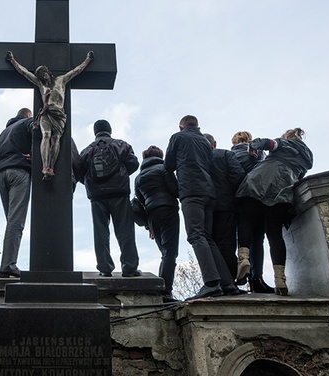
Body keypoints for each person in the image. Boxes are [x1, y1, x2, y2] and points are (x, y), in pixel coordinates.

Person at [165, 115, 243, 300]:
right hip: (210, 193)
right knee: (207, 238)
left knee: (196, 235)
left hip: (191, 191)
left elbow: (168, 164)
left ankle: (211, 283)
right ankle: (226, 283)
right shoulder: (205, 142)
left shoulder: (179, 137)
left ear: (181, 126)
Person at [235, 128, 313, 295]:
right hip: (284, 189)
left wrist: (253, 147)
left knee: (246, 219)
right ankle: (280, 280)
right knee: (274, 234)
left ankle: (243, 259)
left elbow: (266, 143)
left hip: (260, 181)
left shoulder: (285, 143)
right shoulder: (306, 157)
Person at [6, 50, 94, 180]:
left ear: (48, 73)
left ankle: (51, 166)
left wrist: (88, 60)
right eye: (40, 76)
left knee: (56, 138)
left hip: (59, 115)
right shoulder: (41, 85)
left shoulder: (61, 81)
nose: (43, 77)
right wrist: (13, 60)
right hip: (46, 113)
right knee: (46, 135)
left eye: (44, 74)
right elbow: (24, 72)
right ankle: (45, 166)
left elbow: (77, 71)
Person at [78, 119, 141, 277]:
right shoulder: (121, 145)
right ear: (110, 130)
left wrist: (92, 182)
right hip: (119, 193)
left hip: (97, 196)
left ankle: (105, 268)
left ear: (95, 132)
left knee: (100, 232)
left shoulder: (87, 151)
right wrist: (121, 175)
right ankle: (129, 267)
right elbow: (133, 163)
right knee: (125, 230)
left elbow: (78, 172)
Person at [134, 145, 180, 301]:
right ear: (160, 156)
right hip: (168, 209)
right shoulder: (164, 169)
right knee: (171, 252)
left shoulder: (139, 178)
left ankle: (163, 289)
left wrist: (148, 226)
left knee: (165, 253)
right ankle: (166, 291)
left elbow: (140, 202)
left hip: (152, 215)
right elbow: (175, 190)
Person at [231, 131, 273, 293]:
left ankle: (242, 262)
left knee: (239, 234)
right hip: (260, 197)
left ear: (234, 141)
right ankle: (257, 279)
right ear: (249, 140)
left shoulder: (231, 154)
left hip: (240, 198)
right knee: (258, 239)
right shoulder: (259, 153)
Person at [0, 108, 33, 278]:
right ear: (28, 115)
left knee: (10, 220)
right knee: (16, 220)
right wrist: (36, 155)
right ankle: (8, 265)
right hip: (18, 172)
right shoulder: (27, 123)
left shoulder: (3, 133)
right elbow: (39, 133)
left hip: (1, 174)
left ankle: (7, 263)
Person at [203, 133, 246, 280]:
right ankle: (230, 280)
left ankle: (216, 281)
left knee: (209, 245)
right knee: (226, 243)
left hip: (204, 207)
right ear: (214, 143)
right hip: (226, 205)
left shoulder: (197, 159)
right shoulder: (226, 154)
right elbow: (238, 176)